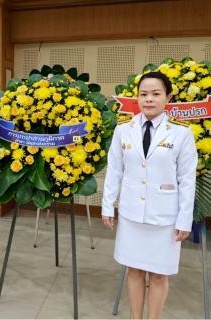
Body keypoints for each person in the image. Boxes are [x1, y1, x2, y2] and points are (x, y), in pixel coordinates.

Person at [102, 72, 197, 319]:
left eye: (156, 94)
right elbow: (114, 169)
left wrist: (184, 220)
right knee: (133, 270)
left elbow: (187, 179)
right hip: (132, 214)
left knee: (158, 274)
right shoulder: (124, 129)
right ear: (138, 98)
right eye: (144, 94)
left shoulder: (181, 132)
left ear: (168, 97)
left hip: (164, 217)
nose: (149, 100)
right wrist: (107, 205)